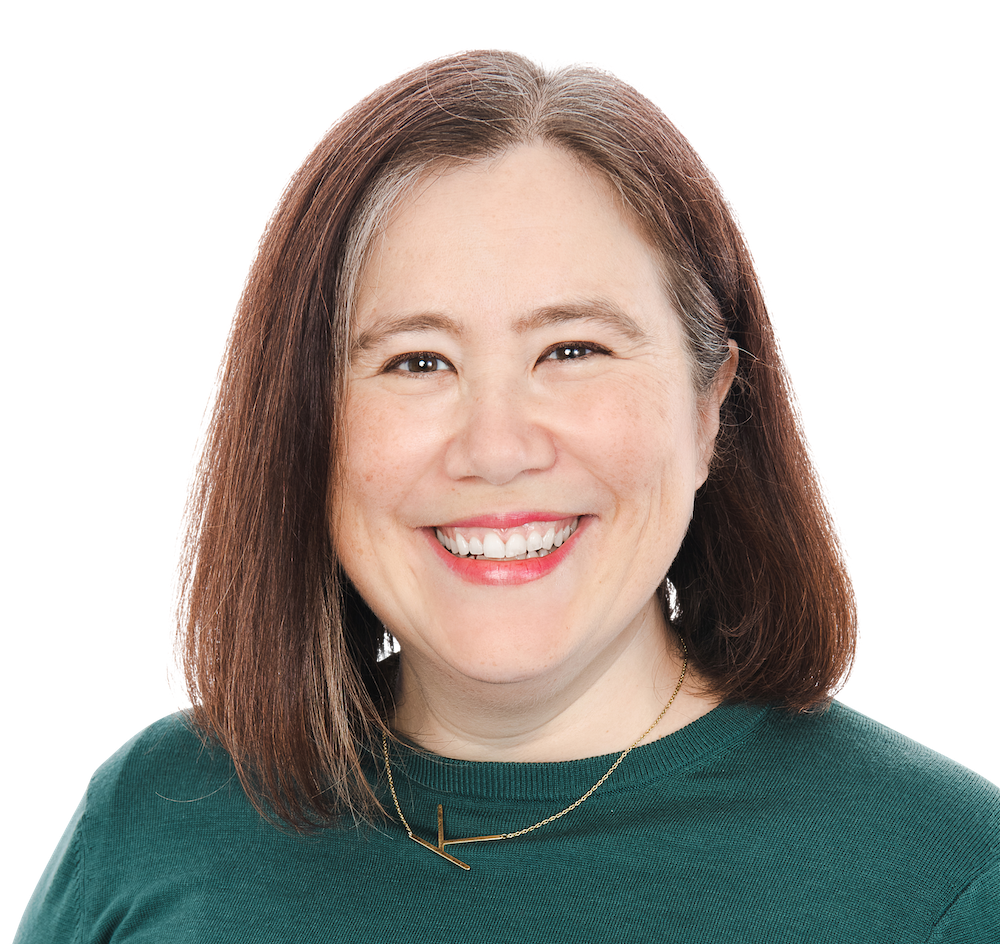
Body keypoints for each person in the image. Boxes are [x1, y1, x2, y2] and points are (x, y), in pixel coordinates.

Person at [15, 49, 998, 942]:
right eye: (416, 360)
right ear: (308, 426)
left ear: (709, 409)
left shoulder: (953, 879)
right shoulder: (155, 819)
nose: (496, 447)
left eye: (572, 350)